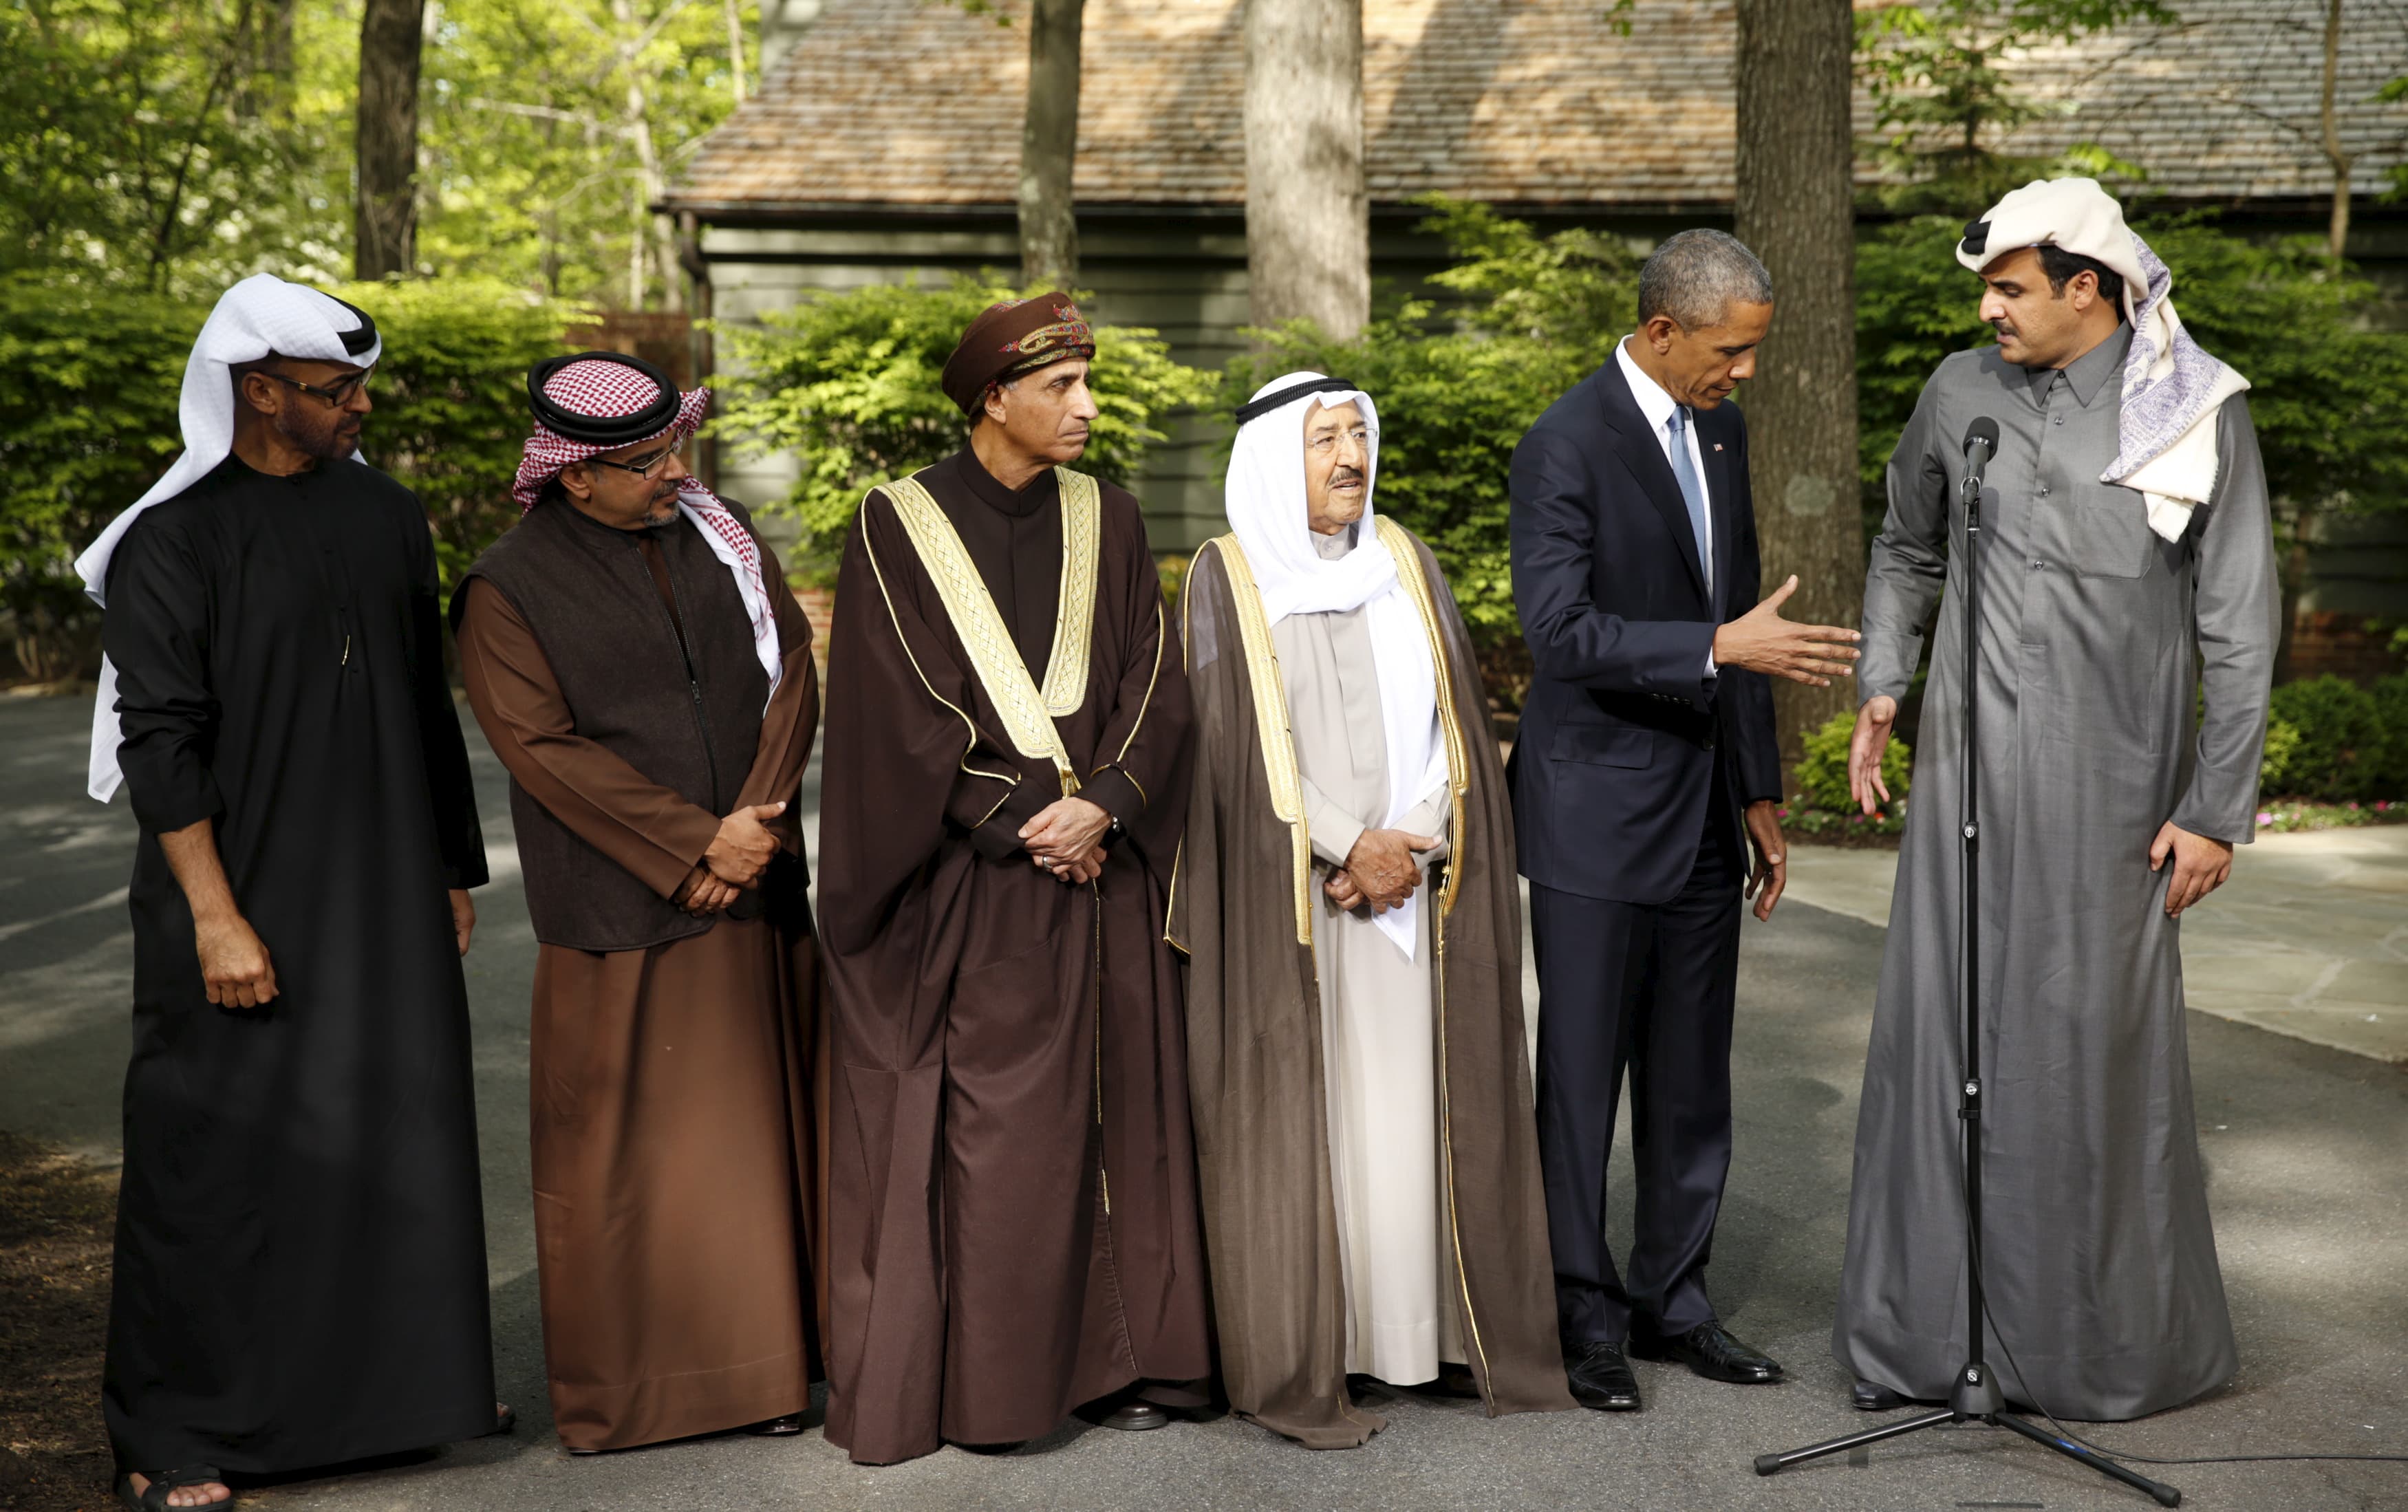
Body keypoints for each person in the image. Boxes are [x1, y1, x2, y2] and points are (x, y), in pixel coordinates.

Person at [1834, 177, 2275, 1421]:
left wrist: (2215, 804)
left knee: (2088, 1059)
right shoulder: (1959, 394)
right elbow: (1906, 545)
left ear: (2089, 287)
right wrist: (1883, 678)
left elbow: (2239, 620)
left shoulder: (2194, 410)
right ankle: (1929, 1343)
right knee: (1947, 1041)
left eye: (2010, 287)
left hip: (2114, 791)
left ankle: (2094, 1353)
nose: (1989, 308)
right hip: (1963, 783)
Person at [76, 276, 498, 1510]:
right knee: (211, 1154)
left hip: (381, 884)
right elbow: (161, 743)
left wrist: (450, 873)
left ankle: (377, 1400)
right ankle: (171, 1435)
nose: (358, 406)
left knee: (388, 1131)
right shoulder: (175, 539)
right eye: (334, 390)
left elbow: (425, 706)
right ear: (258, 391)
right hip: (237, 890)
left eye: (361, 385)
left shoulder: (389, 514)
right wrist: (214, 913)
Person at [815, 294, 1210, 1464]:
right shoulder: (898, 523)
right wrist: (1033, 821)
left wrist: (1112, 805)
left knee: (1128, 1109)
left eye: (1089, 382)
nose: (1088, 407)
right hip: (985, 887)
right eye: (1062, 388)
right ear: (993, 398)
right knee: (1009, 1134)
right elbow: (901, 709)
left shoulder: (1116, 517)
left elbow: (1156, 681)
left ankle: (1133, 1357)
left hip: (1108, 868)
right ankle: (1004, 1386)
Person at [1173, 373, 1573, 1447]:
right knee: (1324, 1111)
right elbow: (1231, 744)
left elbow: (1454, 718)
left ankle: (1423, 1336)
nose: (1350, 457)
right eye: (1323, 441)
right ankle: (1328, 1341)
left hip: (1415, 886)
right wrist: (1348, 842)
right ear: (1272, 461)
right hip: (1294, 895)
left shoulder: (1403, 558)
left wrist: (1413, 836)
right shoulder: (1230, 574)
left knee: (1415, 1107)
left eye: (1359, 435)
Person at [1508, 230, 1862, 1414]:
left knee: (1691, 1081)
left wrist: (1757, 791)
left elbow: (1744, 606)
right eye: (1732, 350)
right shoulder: (1563, 444)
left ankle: (1677, 1304)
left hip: (1707, 813)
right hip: (1594, 819)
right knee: (1580, 1081)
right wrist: (1715, 646)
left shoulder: (1722, 427)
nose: (1746, 372)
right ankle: (1583, 1317)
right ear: (1663, 332)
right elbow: (1557, 634)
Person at [451, 352, 822, 1453]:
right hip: (621, 912)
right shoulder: (505, 587)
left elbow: (790, 667)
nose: (676, 471)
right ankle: (642, 1398)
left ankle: (776, 1374)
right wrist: (690, 841)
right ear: (573, 476)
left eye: (677, 447)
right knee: (629, 1169)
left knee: (759, 1144)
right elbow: (541, 749)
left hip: (752, 889)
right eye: (649, 459)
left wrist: (751, 825)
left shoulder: (723, 533)